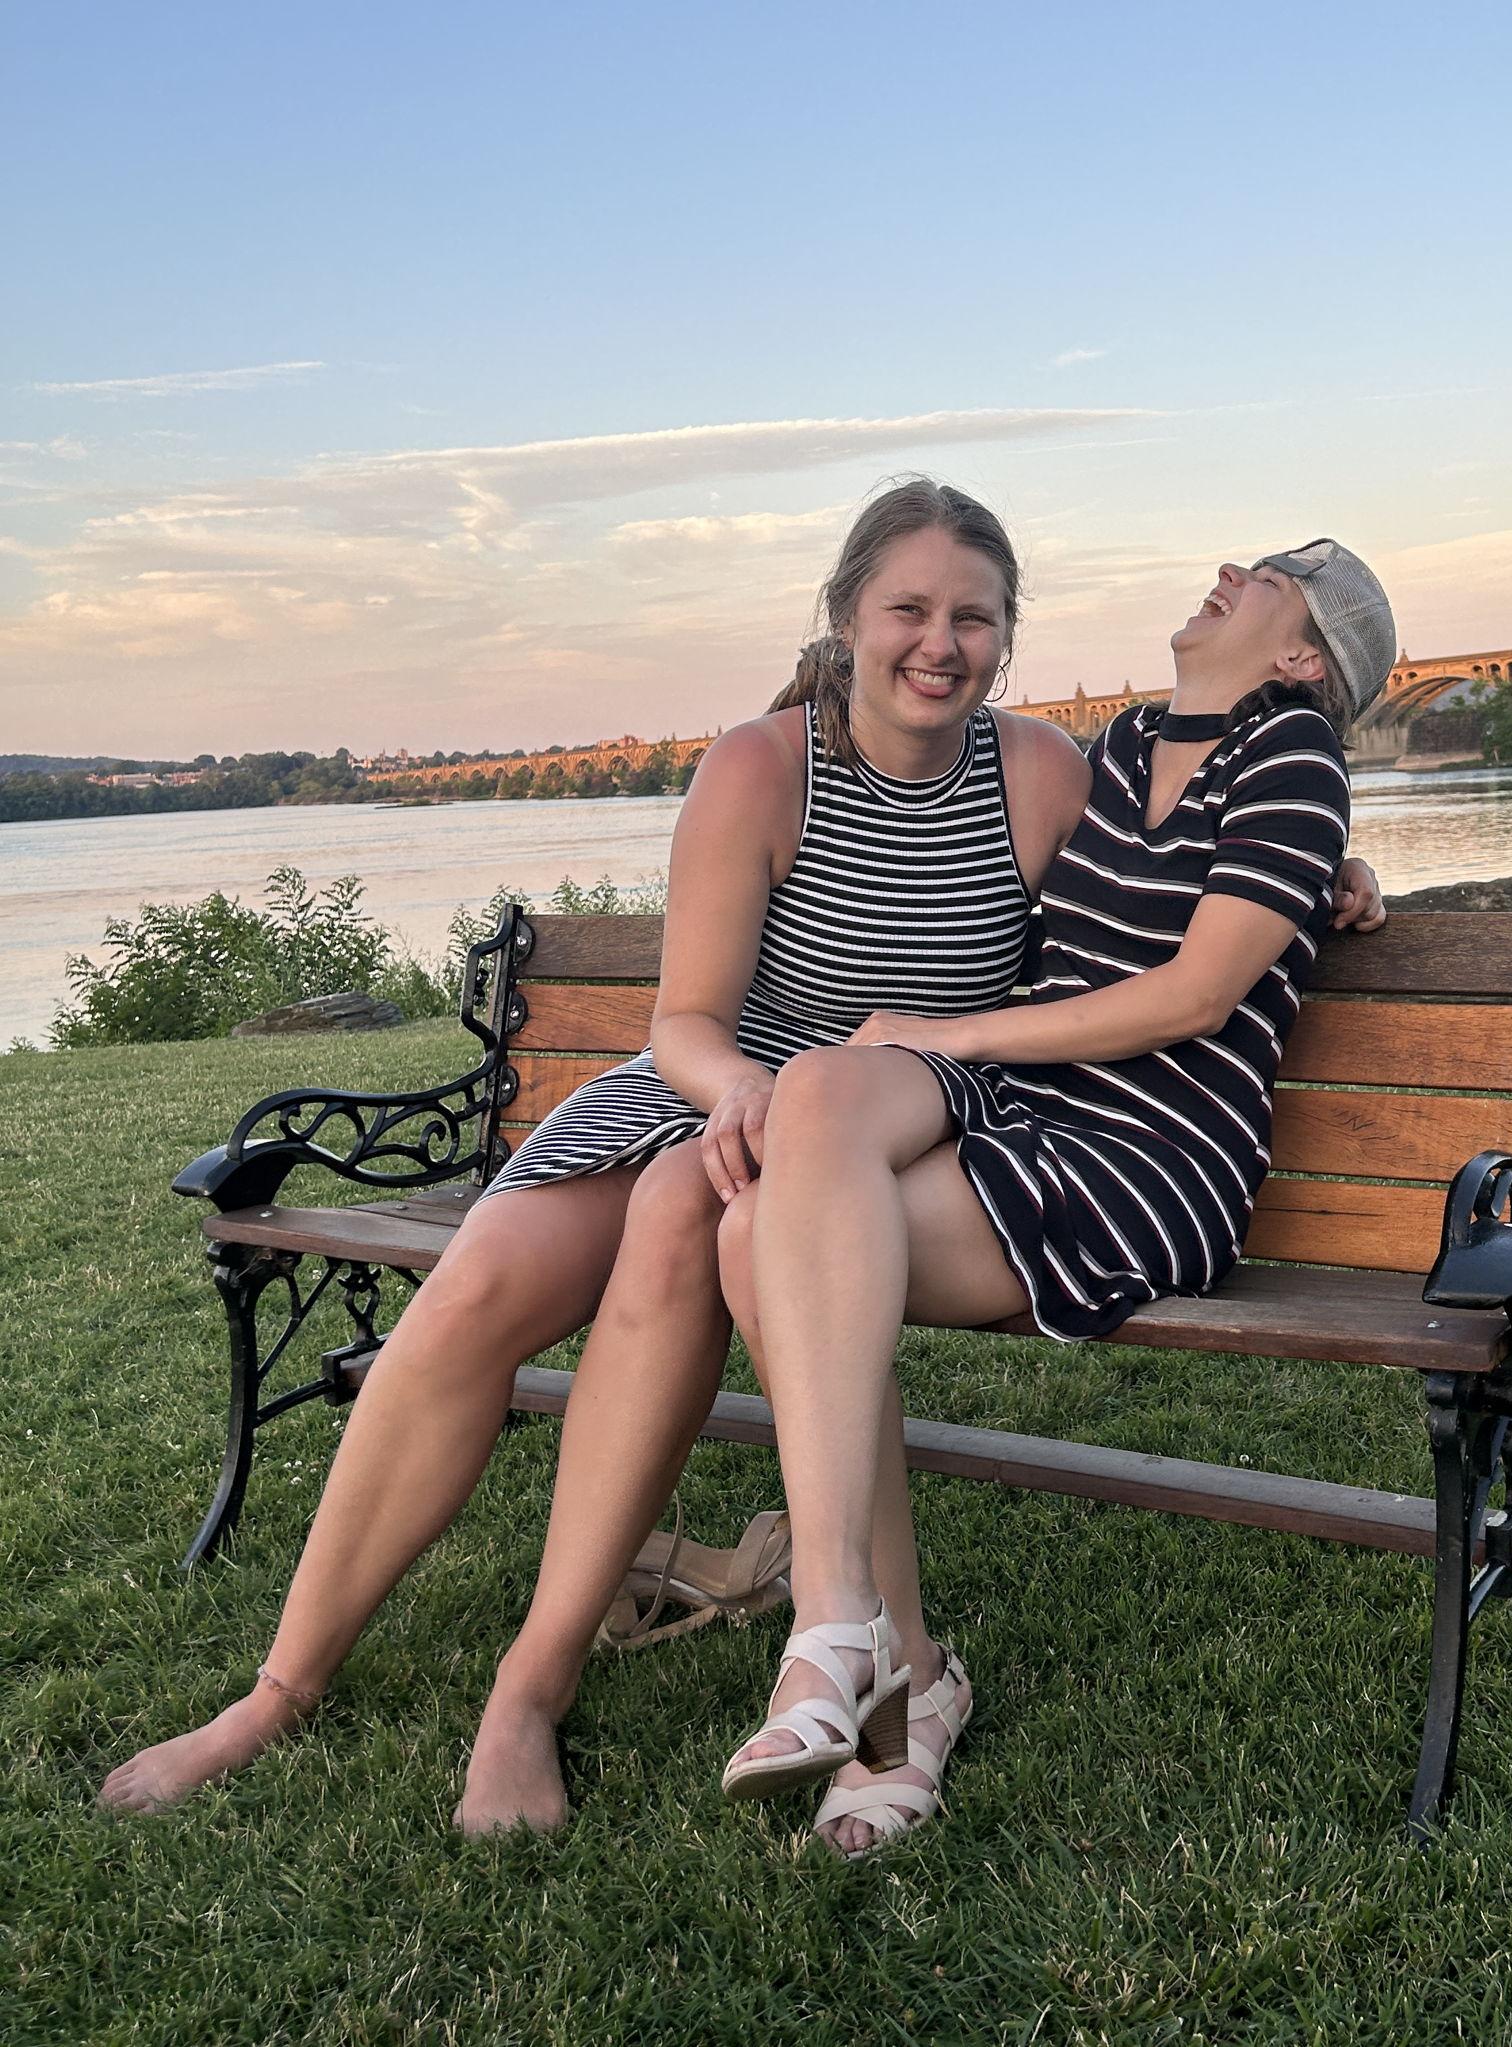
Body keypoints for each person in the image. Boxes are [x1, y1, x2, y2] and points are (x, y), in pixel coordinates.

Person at [97, 484, 1388, 1832]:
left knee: (683, 1220)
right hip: (714, 1094)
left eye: (973, 619)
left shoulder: (1043, 771)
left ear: (1006, 641)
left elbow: (1192, 875)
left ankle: (530, 1693)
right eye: (908, 610)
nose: (938, 643)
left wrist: (1345, 870)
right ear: (847, 620)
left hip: (881, 1119)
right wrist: (743, 1098)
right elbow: (684, 1028)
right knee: (477, 1291)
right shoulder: (764, 768)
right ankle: (277, 1690)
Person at [715, 539, 1395, 1857]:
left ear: (1305, 654)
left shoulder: (1294, 758)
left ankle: (880, 1677)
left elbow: (1199, 996)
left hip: (1153, 1150)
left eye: (1272, 573)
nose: (1228, 568)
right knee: (815, 1095)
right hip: (1041, 1114)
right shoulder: (1132, 741)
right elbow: (1074, 927)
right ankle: (855, 1630)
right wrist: (1344, 881)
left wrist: (955, 1040)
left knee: (758, 1235)